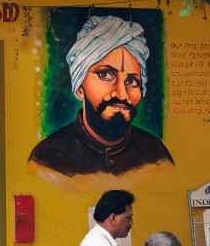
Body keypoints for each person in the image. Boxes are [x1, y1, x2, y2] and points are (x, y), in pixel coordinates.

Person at [28, 15, 173, 177]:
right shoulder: (47, 159)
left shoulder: (156, 156)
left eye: (132, 81)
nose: (121, 93)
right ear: (80, 87)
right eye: (105, 75)